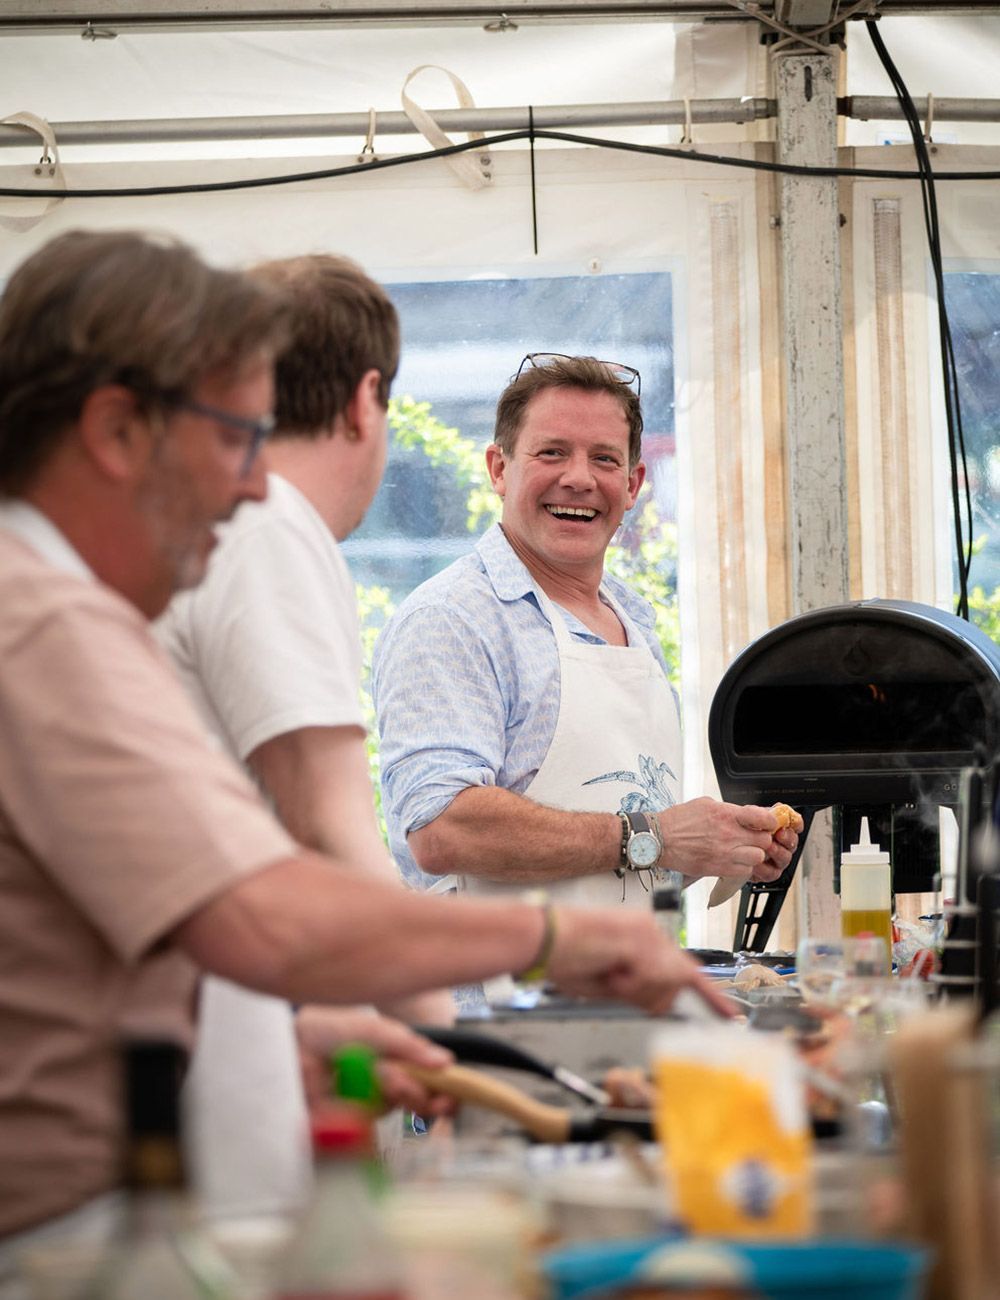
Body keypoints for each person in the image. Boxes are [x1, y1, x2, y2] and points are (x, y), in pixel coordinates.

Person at [0, 233, 729, 1259]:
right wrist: (556, 943)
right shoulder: (42, 623)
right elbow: (267, 912)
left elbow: (118, 929)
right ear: (118, 430)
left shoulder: (64, 609)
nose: (255, 491)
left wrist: (273, 1039)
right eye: (233, 436)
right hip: (64, 1232)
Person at [156, 253, 450, 1220]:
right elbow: (332, 828)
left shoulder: (206, 525)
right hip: (207, 1082)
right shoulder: (270, 524)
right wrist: (444, 1037)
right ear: (367, 400)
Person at [374, 353, 800, 909]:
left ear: (632, 484)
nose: (578, 479)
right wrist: (660, 835)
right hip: (505, 990)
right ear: (499, 469)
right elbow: (441, 829)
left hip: (631, 983)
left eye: (604, 459)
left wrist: (716, 845)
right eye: (552, 452)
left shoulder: (634, 618)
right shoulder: (452, 620)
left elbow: (627, 851)